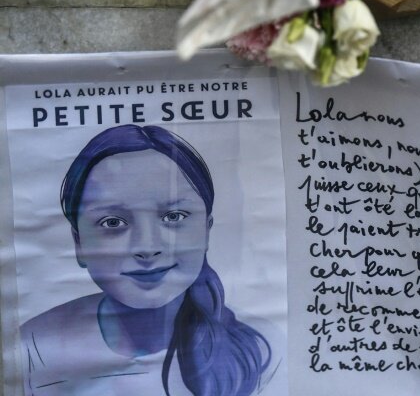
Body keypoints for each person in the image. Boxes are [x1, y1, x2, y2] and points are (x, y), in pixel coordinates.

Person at [20, 125, 275, 396]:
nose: (147, 247)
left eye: (174, 216)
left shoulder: (260, 349)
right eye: (113, 222)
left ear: (206, 229)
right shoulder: (32, 347)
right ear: (79, 242)